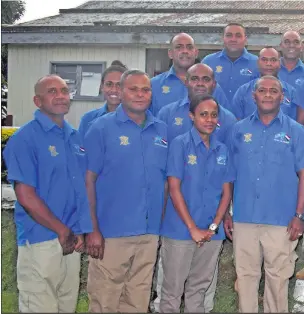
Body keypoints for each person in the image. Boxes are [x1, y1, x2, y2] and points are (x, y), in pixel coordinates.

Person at [3, 75, 91, 312]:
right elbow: (26, 196)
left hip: (71, 241)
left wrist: (79, 231)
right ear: (37, 100)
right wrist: (62, 230)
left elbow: (80, 189)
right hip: (40, 242)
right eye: (52, 91)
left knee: (66, 306)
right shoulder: (25, 139)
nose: (61, 96)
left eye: (64, 90)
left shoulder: (74, 138)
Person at [83, 69, 169, 312]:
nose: (140, 94)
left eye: (145, 89)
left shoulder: (160, 130)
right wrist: (93, 230)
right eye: (133, 89)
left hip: (148, 232)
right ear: (120, 92)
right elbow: (87, 181)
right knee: (105, 300)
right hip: (111, 233)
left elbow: (163, 180)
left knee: (138, 300)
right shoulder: (100, 128)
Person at [226, 75, 304, 312]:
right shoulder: (238, 130)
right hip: (244, 217)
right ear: (254, 96)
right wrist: (226, 213)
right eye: (262, 90)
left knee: (278, 277)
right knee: (245, 278)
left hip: (281, 220)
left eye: (273, 91)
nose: (267, 95)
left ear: (282, 97)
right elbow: (229, 176)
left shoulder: (295, 131)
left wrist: (299, 215)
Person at [159, 94, 233, 313]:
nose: (209, 120)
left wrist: (213, 227)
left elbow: (226, 193)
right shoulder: (179, 145)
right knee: (172, 290)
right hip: (180, 231)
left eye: (213, 115)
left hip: (211, 234)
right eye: (203, 115)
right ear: (191, 116)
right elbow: (174, 188)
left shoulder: (222, 150)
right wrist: (192, 228)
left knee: (198, 289)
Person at [150, 33, 230, 115]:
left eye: (189, 47)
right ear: (170, 53)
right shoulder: (154, 85)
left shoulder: (212, 86)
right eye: (179, 47)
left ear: (196, 53)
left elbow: (225, 119)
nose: (185, 51)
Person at [157, 63, 237, 143]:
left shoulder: (228, 119)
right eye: (194, 79)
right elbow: (159, 150)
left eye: (206, 79)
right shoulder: (166, 114)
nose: (200, 84)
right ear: (186, 82)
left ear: (214, 85)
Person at [232, 47, 299, 120]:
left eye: (273, 60)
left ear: (279, 63)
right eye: (264, 60)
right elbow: (237, 125)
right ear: (257, 62)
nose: (269, 64)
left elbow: (295, 124)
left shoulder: (292, 93)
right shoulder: (243, 92)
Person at [202, 23, 260, 100]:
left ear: (245, 39)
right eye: (229, 35)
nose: (233, 39)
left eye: (238, 36)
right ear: (223, 38)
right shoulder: (208, 62)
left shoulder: (257, 63)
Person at [79, 60, 127, 136]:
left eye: (119, 85)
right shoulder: (88, 119)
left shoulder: (136, 120)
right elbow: (81, 147)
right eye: (109, 84)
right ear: (102, 86)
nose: (114, 90)